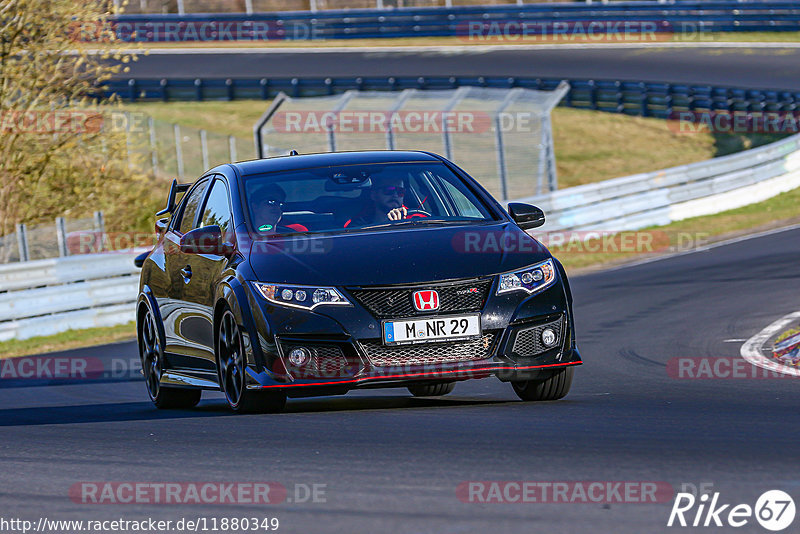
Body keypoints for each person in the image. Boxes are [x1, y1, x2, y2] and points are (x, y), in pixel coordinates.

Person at [344, 175, 409, 227]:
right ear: (374, 195)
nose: (395, 195)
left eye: (400, 191)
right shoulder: (359, 227)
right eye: (389, 190)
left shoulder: (414, 219)